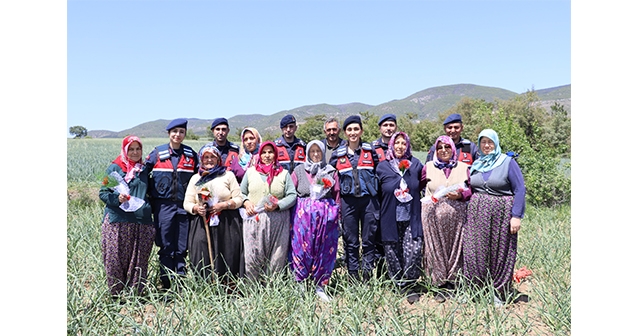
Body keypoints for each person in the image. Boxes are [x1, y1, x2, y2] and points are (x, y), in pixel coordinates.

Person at [463, 129, 527, 306]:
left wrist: (516, 216)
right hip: (477, 214)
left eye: (490, 142)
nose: (486, 145)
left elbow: (520, 189)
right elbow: (471, 188)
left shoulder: (507, 162)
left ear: (496, 143)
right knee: (475, 250)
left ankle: (497, 292)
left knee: (500, 251)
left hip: (501, 213)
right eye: (483, 142)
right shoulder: (477, 163)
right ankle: (475, 289)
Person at [145, 118, 199, 290]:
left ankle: (180, 284)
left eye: (181, 132)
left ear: (185, 134)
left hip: (184, 207)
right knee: (166, 245)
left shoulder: (191, 155)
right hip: (163, 207)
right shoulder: (157, 153)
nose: (178, 135)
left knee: (182, 246)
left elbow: (200, 178)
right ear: (169, 133)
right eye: (174, 131)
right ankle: (166, 284)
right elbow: (142, 174)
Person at [99, 135, 155, 300]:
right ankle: (116, 295)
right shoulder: (113, 169)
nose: (135, 152)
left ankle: (134, 296)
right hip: (118, 220)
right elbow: (102, 193)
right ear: (125, 150)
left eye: (138, 149)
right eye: (131, 149)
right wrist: (117, 200)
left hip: (141, 221)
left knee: (138, 259)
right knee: (115, 258)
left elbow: (150, 192)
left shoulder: (144, 170)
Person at [183, 145, 245, 286]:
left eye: (213, 157)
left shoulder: (227, 175)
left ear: (218, 159)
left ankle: (228, 287)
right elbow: (187, 203)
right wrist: (196, 208)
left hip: (227, 222)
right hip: (202, 222)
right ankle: (205, 286)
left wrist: (224, 205)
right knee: (201, 252)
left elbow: (239, 198)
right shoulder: (196, 178)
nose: (209, 160)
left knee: (227, 253)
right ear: (201, 159)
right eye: (206, 157)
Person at [421, 135, 472, 303]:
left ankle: (454, 281)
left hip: (457, 217)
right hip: (432, 217)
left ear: (453, 149)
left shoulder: (464, 167)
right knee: (435, 247)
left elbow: (472, 189)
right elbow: (417, 186)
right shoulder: (428, 167)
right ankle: (438, 284)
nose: (444, 150)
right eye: (440, 147)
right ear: (435, 150)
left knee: (456, 248)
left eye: (447, 147)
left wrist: (461, 195)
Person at [329, 115, 379, 282]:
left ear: (361, 131)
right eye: (349, 129)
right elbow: (328, 177)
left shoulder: (370, 151)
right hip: (348, 202)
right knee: (351, 240)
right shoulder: (338, 154)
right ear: (345, 132)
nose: (353, 132)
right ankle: (353, 276)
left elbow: (381, 172)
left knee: (368, 239)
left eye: (356, 129)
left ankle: (367, 275)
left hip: (369, 201)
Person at [376, 131, 425, 304]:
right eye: (397, 143)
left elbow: (425, 185)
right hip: (390, 215)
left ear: (408, 146)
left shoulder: (416, 165)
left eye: (403, 143)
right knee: (392, 251)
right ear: (391, 145)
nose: (400, 146)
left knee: (414, 249)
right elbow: (377, 192)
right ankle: (398, 284)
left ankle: (410, 284)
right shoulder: (383, 166)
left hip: (411, 215)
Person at [290, 140, 341, 302]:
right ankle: (300, 283)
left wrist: (336, 215)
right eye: (312, 151)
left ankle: (320, 285)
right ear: (307, 153)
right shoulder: (299, 170)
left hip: (325, 217)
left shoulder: (331, 172)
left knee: (324, 250)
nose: (316, 154)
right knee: (301, 249)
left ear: (323, 153)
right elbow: (291, 192)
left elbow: (337, 195)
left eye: (318, 151)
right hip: (302, 218)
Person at [240, 141, 297, 283]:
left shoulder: (283, 173)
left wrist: (278, 205)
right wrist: (246, 202)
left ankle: (272, 290)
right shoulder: (251, 172)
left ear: (275, 154)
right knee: (253, 255)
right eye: (264, 152)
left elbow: (292, 195)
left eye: (270, 152)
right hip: (254, 220)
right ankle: (253, 289)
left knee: (276, 257)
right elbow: (241, 193)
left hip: (278, 221)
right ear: (260, 154)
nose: (267, 155)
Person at [206, 118, 245, 183]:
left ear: (228, 131)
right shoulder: (206, 150)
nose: (220, 132)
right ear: (213, 131)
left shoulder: (236, 150)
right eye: (217, 129)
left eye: (223, 129)